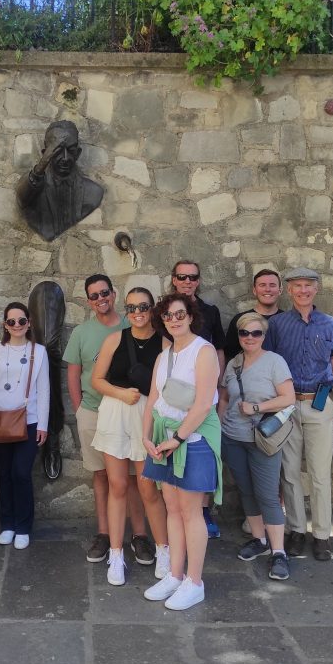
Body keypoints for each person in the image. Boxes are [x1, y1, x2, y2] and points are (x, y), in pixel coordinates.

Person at [263, 267, 333, 561]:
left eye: (308, 285)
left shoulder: (329, 324)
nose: (303, 290)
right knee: (290, 472)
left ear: (316, 289)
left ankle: (322, 535)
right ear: (289, 290)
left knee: (319, 473)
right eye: (297, 286)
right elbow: (269, 362)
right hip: (288, 407)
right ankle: (297, 530)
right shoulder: (277, 325)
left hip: (320, 403)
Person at [63, 275, 153, 568]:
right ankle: (104, 534)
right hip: (93, 410)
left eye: (104, 293)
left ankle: (139, 535)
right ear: (88, 300)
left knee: (133, 477)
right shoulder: (82, 332)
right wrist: (79, 409)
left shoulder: (132, 324)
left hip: (129, 411)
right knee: (102, 476)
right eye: (94, 295)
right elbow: (74, 373)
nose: (100, 299)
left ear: (113, 295)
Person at [141, 294, 222, 611]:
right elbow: (153, 398)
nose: (173, 320)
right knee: (172, 507)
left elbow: (203, 405)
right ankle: (175, 575)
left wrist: (177, 438)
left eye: (179, 314)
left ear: (190, 316)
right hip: (165, 436)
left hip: (193, 437)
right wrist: (146, 435)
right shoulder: (164, 356)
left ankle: (194, 581)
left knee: (191, 510)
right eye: (167, 316)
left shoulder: (204, 351)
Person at [90, 287, 169, 585]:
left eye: (143, 307)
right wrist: (121, 393)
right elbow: (97, 379)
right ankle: (116, 555)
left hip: (147, 417)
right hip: (116, 412)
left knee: (148, 488)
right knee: (118, 485)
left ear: (152, 309)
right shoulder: (114, 339)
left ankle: (163, 550)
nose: (137, 313)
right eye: (132, 308)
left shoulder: (165, 343)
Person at [218, 312, 295, 580]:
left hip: (263, 439)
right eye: (244, 333)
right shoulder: (233, 364)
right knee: (247, 492)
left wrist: (257, 407)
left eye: (256, 333)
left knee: (267, 495)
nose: (249, 337)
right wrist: (219, 427)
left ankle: (279, 552)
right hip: (233, 437)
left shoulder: (275, 362)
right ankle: (259, 540)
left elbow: (288, 397)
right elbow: (224, 398)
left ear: (263, 336)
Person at [169, 259, 225, 539]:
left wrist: (216, 385)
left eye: (192, 277)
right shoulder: (167, 311)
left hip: (202, 393)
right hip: (173, 395)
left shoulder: (210, 312)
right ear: (174, 280)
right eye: (182, 277)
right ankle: (177, 514)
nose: (187, 281)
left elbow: (219, 350)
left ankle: (202, 512)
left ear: (198, 281)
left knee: (202, 454)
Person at [0, 302, 49, 550]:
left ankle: (23, 527)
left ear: (29, 323)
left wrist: (43, 424)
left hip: (28, 420)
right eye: (11, 321)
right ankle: (7, 524)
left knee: (21, 473)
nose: (17, 325)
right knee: (3, 474)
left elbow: (43, 389)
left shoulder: (38, 351)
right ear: (5, 325)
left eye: (21, 321)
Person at [16, 120, 104, 241]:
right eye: (58, 151)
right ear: (45, 154)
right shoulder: (32, 187)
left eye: (71, 150)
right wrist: (40, 167)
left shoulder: (94, 192)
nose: (65, 158)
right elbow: (22, 199)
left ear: (78, 153)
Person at [224, 269, 283, 362]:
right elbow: (230, 356)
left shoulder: (288, 321)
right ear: (254, 290)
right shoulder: (240, 320)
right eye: (262, 285)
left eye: (272, 285)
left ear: (280, 290)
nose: (267, 289)